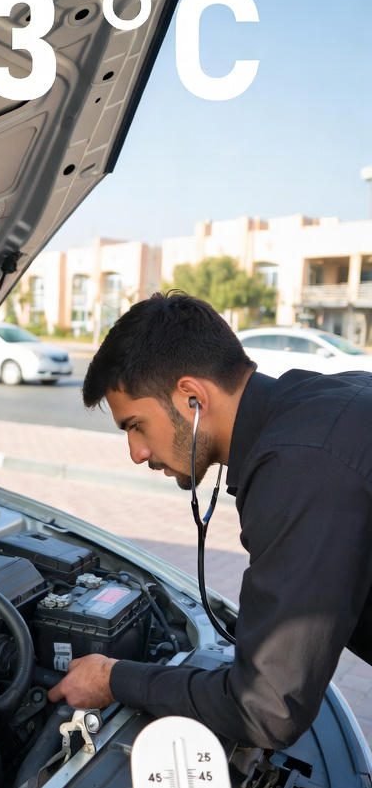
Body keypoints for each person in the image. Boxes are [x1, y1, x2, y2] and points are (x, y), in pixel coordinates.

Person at [47, 292, 372, 749]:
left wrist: (114, 679)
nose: (137, 453)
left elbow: (266, 709)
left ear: (193, 398)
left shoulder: (301, 467)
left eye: (136, 425)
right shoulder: (323, 403)